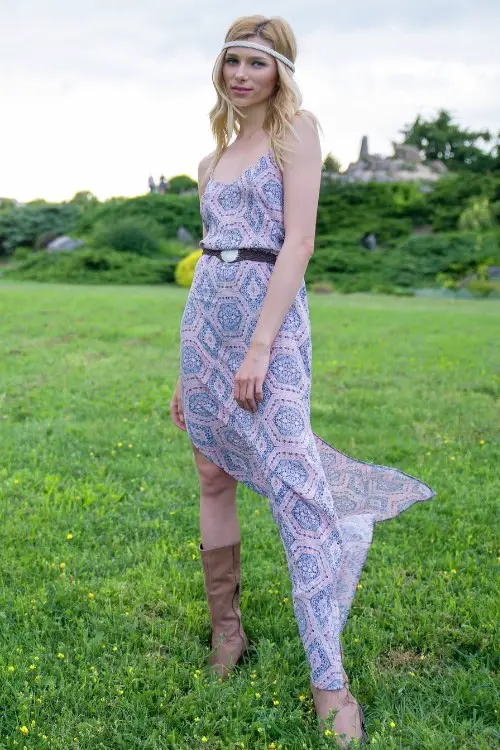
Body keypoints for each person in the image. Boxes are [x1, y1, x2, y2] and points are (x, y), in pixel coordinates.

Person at [170, 15, 435, 746]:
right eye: (232, 61)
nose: (241, 74)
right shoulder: (213, 158)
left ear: (280, 72)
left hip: (270, 329)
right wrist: (186, 373)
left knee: (297, 490)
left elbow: (299, 241)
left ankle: (329, 678)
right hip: (205, 330)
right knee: (212, 476)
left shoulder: (298, 133)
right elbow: (208, 264)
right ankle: (229, 633)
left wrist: (260, 348)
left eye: (257, 62)